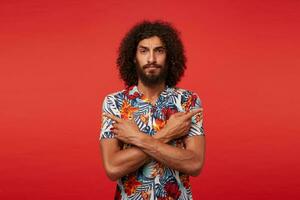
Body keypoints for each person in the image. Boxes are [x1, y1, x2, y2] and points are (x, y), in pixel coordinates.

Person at [99, 20, 205, 200]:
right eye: (144, 51)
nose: (151, 59)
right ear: (133, 57)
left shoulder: (188, 101)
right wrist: (168, 133)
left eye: (159, 50)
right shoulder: (115, 102)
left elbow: (195, 164)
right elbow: (113, 168)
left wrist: (136, 138)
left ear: (169, 56)